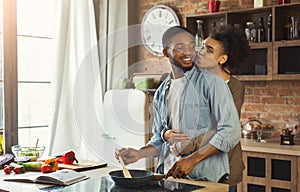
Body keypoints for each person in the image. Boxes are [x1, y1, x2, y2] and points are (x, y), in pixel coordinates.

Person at [116, 25, 241, 184]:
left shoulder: (212, 82)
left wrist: (192, 160)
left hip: (203, 179)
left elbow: (231, 130)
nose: (188, 52)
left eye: (191, 46)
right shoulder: (161, 92)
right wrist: (139, 153)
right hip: (168, 179)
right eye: (180, 47)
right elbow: (160, 139)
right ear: (166, 52)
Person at [163, 25, 250, 192]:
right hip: (191, 170)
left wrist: (186, 146)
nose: (201, 51)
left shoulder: (234, 88)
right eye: (202, 46)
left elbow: (220, 129)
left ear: (222, 59)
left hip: (224, 167)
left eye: (209, 50)